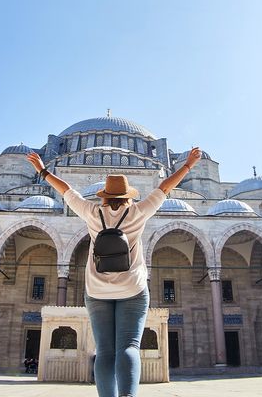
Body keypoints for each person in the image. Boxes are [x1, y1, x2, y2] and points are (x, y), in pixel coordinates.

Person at [27, 147, 203, 397]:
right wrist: (187, 166)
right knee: (128, 346)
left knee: (105, 351)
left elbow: (66, 190)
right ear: (127, 196)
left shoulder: (92, 212)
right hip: (133, 288)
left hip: (97, 289)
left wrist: (42, 170)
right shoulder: (137, 212)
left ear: (104, 196)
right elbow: (164, 187)